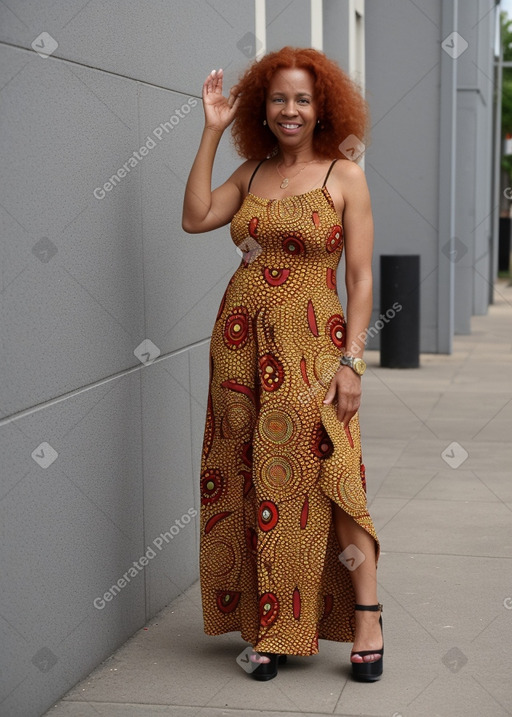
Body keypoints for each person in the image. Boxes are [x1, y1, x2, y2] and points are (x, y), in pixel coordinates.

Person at [182, 46, 382, 683]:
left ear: (321, 106)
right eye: (278, 99)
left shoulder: (343, 175)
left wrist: (353, 363)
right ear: (262, 110)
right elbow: (195, 218)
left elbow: (360, 278)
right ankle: (272, 627)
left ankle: (368, 615)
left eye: (302, 98)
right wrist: (211, 132)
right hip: (240, 346)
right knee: (254, 482)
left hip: (313, 347)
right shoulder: (250, 171)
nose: (290, 109)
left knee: (333, 471)